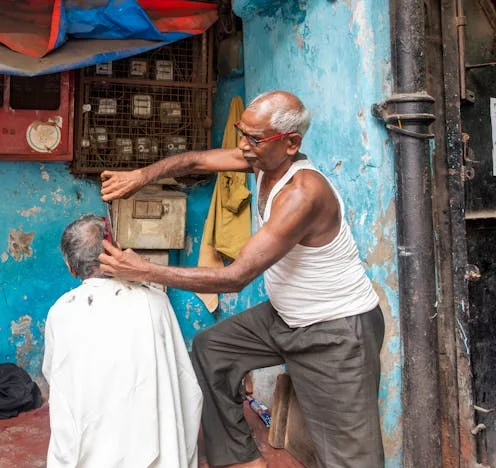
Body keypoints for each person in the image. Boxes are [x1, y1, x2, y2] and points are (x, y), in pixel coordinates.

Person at [99, 91, 385, 468]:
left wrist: (144, 270)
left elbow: (234, 277)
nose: (242, 146)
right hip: (286, 318)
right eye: (241, 132)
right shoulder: (263, 160)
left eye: (253, 138)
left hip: (336, 331)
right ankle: (242, 460)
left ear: (291, 143)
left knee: (352, 459)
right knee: (211, 349)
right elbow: (198, 160)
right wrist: (142, 176)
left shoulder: (303, 194)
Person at [42, 215, 203, 468]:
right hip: (151, 441)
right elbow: (184, 383)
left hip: (88, 442)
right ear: (116, 253)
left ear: (71, 268)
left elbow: (55, 377)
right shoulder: (155, 302)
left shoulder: (61, 311)